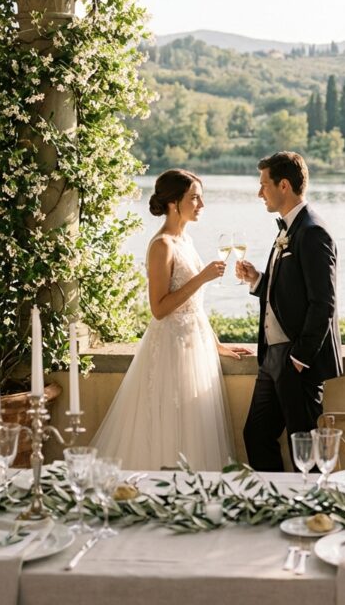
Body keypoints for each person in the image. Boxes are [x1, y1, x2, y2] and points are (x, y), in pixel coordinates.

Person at [90, 170, 248, 470]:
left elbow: (195, 307)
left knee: (195, 428)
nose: (201, 204)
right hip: (171, 353)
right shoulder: (161, 245)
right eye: (195, 198)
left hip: (196, 349)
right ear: (174, 203)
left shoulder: (185, 240)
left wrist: (216, 345)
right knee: (168, 428)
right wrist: (202, 278)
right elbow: (159, 309)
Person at [237, 152, 343, 471]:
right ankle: (278, 507)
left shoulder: (312, 232)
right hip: (271, 358)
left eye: (263, 185)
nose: (260, 193)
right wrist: (257, 280)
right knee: (256, 434)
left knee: (305, 451)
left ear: (283, 185)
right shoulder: (286, 230)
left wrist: (299, 358)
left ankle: (309, 516)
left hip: (297, 361)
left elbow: (324, 302)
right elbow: (289, 291)